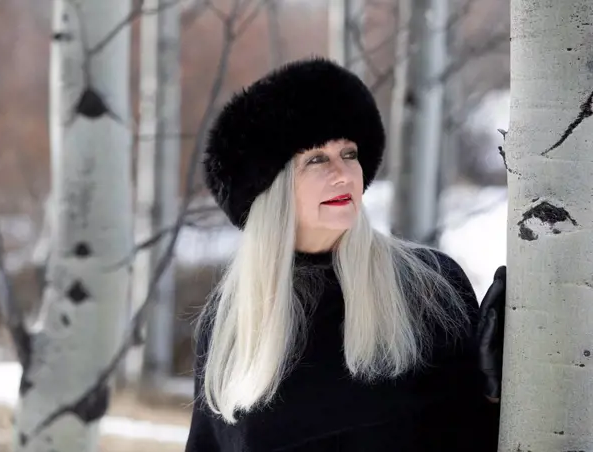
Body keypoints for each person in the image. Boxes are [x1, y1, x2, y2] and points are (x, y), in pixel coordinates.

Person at [185, 57, 506, 452]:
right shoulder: (231, 319)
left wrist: (495, 397)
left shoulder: (428, 286)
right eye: (317, 159)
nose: (343, 174)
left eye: (349, 154)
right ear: (271, 189)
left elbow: (471, 438)